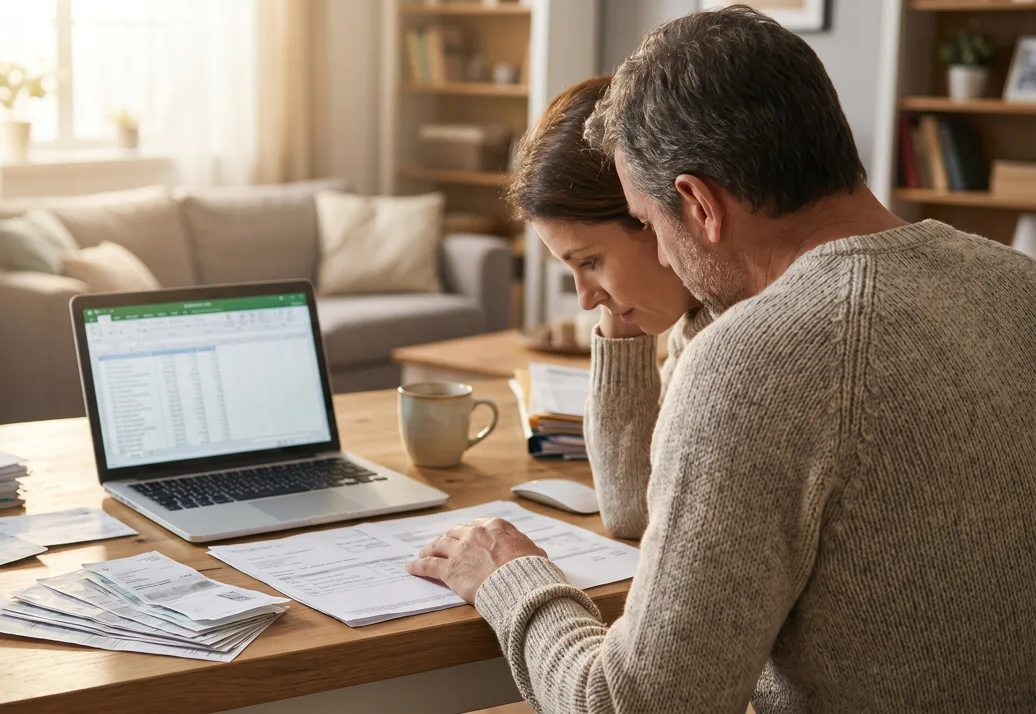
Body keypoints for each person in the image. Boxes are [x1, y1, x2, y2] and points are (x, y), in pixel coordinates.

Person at [408, 6, 1036, 713]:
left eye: (647, 225)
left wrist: (509, 576)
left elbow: (634, 706)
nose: (662, 253)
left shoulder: (753, 363)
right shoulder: (1016, 282)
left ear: (699, 205)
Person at [503, 74, 708, 540]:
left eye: (590, 261)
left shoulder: (733, 345)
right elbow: (634, 510)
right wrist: (620, 309)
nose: (585, 298)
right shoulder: (699, 320)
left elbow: (634, 514)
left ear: (651, 214)